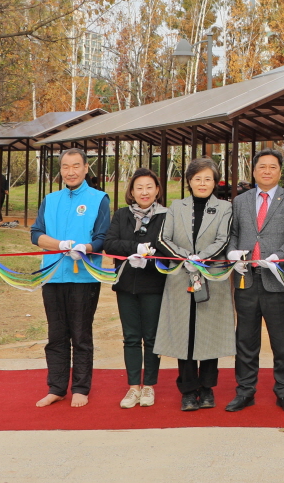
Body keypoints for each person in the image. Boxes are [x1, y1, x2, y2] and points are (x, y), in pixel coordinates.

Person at [224, 149, 284, 414]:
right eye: (262, 166)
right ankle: (245, 391)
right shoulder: (241, 201)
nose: (267, 171)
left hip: (278, 278)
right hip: (246, 279)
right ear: (254, 170)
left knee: (282, 341)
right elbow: (234, 233)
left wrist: (279, 256)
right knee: (246, 340)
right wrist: (232, 253)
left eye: (273, 167)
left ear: (280, 171)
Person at [29, 148, 111, 408]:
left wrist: (84, 249)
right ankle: (56, 387)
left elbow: (101, 239)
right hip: (52, 275)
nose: (71, 171)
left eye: (76, 166)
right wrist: (60, 244)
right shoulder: (50, 199)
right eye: (65, 166)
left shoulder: (99, 199)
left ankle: (80, 387)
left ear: (86, 168)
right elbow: (36, 234)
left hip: (84, 277)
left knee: (81, 334)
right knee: (56, 334)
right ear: (60, 170)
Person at [155, 157, 235, 412]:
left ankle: (208, 388)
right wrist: (184, 258)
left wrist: (202, 259)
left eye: (208, 179)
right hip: (181, 276)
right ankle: (188, 390)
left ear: (215, 182)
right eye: (197, 178)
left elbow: (223, 239)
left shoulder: (224, 208)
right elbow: (163, 238)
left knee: (208, 332)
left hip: (211, 276)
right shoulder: (176, 206)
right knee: (184, 332)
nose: (203, 183)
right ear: (189, 181)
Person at [102, 167, 168, 409]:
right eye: (139, 187)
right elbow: (110, 244)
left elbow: (166, 248)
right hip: (125, 284)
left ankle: (149, 385)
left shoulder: (166, 216)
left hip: (154, 284)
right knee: (131, 337)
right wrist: (136, 247)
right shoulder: (121, 215)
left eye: (149, 187)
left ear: (157, 190)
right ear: (131, 191)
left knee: (151, 337)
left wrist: (147, 252)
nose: (144, 192)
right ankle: (133, 387)